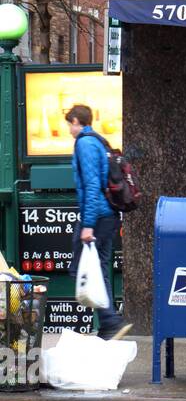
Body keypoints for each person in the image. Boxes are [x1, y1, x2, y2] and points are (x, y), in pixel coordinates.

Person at [66, 104, 125, 339]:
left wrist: (87, 224)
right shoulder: (96, 140)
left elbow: (91, 185)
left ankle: (110, 320)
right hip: (107, 214)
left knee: (79, 268)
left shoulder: (84, 143)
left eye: (70, 123)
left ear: (75, 121)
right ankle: (110, 322)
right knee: (98, 267)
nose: (69, 128)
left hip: (98, 216)